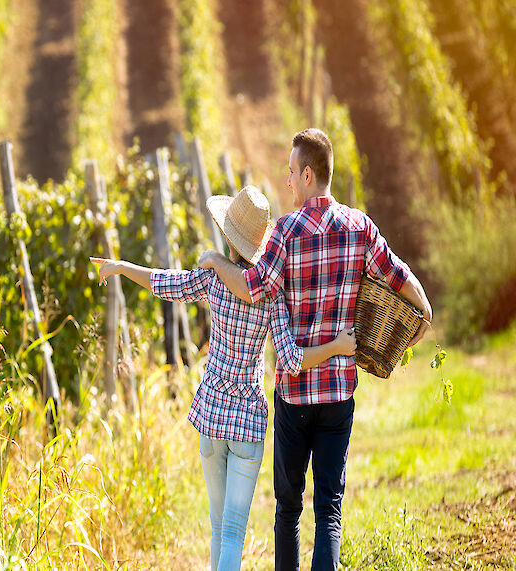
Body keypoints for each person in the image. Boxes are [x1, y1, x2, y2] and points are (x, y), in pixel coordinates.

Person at [198, 128, 433, 570]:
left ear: (308, 174)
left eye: (290, 173)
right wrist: (424, 309)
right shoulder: (359, 226)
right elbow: (396, 273)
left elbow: (253, 288)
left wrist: (215, 261)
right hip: (339, 391)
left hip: (294, 395)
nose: (287, 181)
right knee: (329, 509)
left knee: (288, 510)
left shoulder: (284, 231)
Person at [91, 185, 356, 571]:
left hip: (211, 414)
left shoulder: (214, 280)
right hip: (247, 421)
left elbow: (167, 283)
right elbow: (292, 359)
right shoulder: (272, 295)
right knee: (234, 531)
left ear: (228, 236)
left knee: (218, 528)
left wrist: (121, 267)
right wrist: (337, 346)